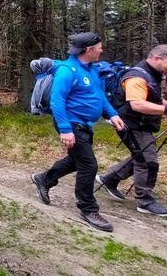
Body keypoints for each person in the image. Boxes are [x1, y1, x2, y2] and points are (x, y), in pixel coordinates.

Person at [30, 32, 126, 232]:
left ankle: (44, 179)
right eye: (99, 47)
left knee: (76, 161)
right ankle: (88, 208)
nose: (102, 50)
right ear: (89, 50)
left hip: (85, 125)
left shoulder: (91, 70)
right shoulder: (67, 71)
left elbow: (99, 95)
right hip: (71, 124)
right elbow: (57, 101)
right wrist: (65, 130)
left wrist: (112, 114)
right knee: (89, 165)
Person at [96, 44, 167, 217]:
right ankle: (145, 201)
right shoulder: (137, 77)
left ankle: (109, 179)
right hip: (130, 124)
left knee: (140, 154)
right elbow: (137, 104)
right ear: (157, 58)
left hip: (141, 124)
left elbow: (156, 99)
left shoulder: (152, 74)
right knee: (148, 161)